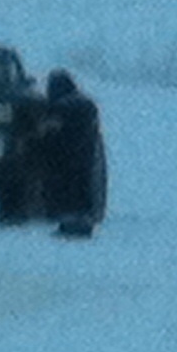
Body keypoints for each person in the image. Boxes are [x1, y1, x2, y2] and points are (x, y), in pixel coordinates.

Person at [31, 68, 106, 235]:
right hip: (86, 155)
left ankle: (71, 221)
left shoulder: (59, 107)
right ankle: (83, 217)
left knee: (66, 187)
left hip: (64, 156)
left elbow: (49, 131)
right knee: (85, 186)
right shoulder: (86, 104)